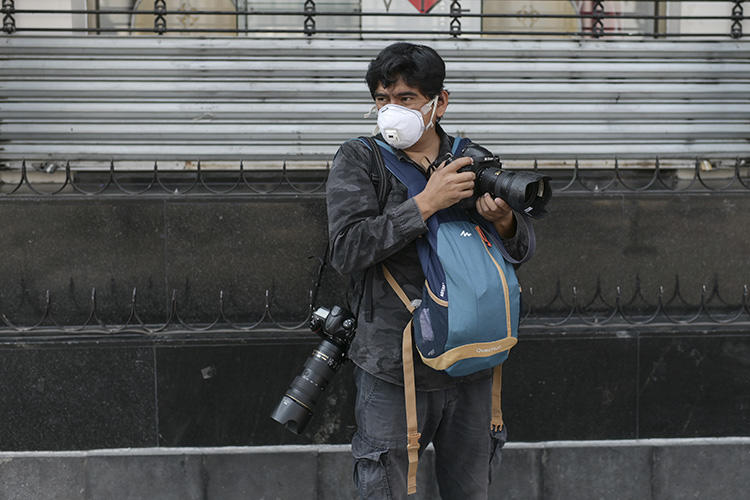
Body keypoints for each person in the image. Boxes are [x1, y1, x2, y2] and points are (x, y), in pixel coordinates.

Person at [326, 42, 533, 499]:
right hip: (394, 364)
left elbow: (516, 252)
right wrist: (424, 204)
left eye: (406, 99)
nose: (391, 110)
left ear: (440, 102)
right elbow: (346, 250)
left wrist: (504, 221)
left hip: (473, 357)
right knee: (386, 486)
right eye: (383, 99)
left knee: (471, 488)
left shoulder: (470, 158)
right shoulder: (361, 159)